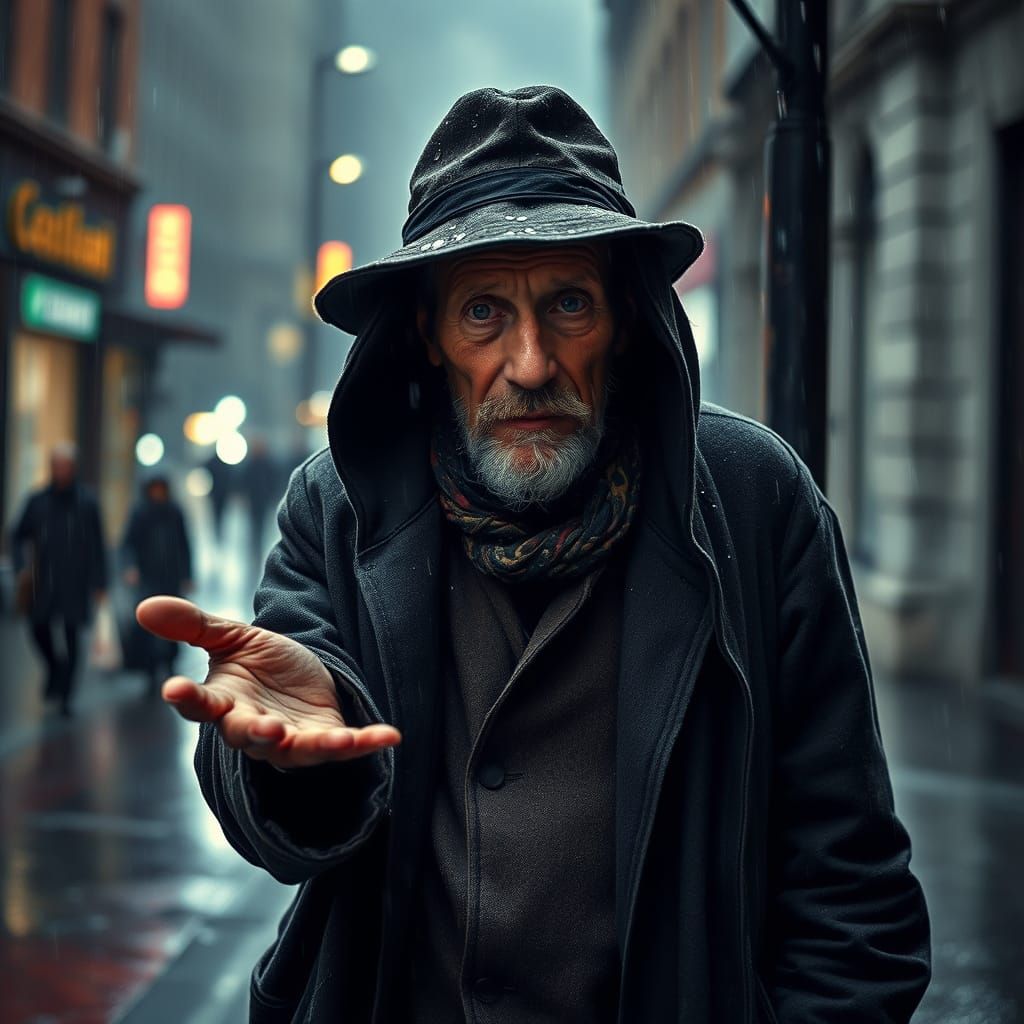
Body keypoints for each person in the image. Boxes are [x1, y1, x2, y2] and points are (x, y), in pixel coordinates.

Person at [138, 86, 931, 1021]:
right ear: (429, 335)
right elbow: (285, 826)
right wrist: (286, 768)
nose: (530, 363)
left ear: (625, 318)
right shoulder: (337, 504)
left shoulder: (757, 500)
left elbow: (852, 898)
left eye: (568, 304)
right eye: (483, 312)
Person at [11, 442, 108, 717]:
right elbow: (17, 535)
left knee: (72, 636)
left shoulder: (87, 502)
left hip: (76, 583)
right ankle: (55, 669)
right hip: (44, 582)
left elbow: (97, 545)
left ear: (73, 468)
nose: (61, 471)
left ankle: (66, 696)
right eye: (57, 466)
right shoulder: (38, 501)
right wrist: (21, 567)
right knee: (38, 628)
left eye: (66, 466)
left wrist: (100, 583)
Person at [121, 474, 193, 693]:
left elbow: (184, 544)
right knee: (149, 621)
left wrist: (187, 575)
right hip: (148, 577)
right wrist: (131, 567)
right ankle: (150, 667)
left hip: (171, 576)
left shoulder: (174, 512)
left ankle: (169, 662)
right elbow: (128, 543)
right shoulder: (140, 512)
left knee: (172, 620)